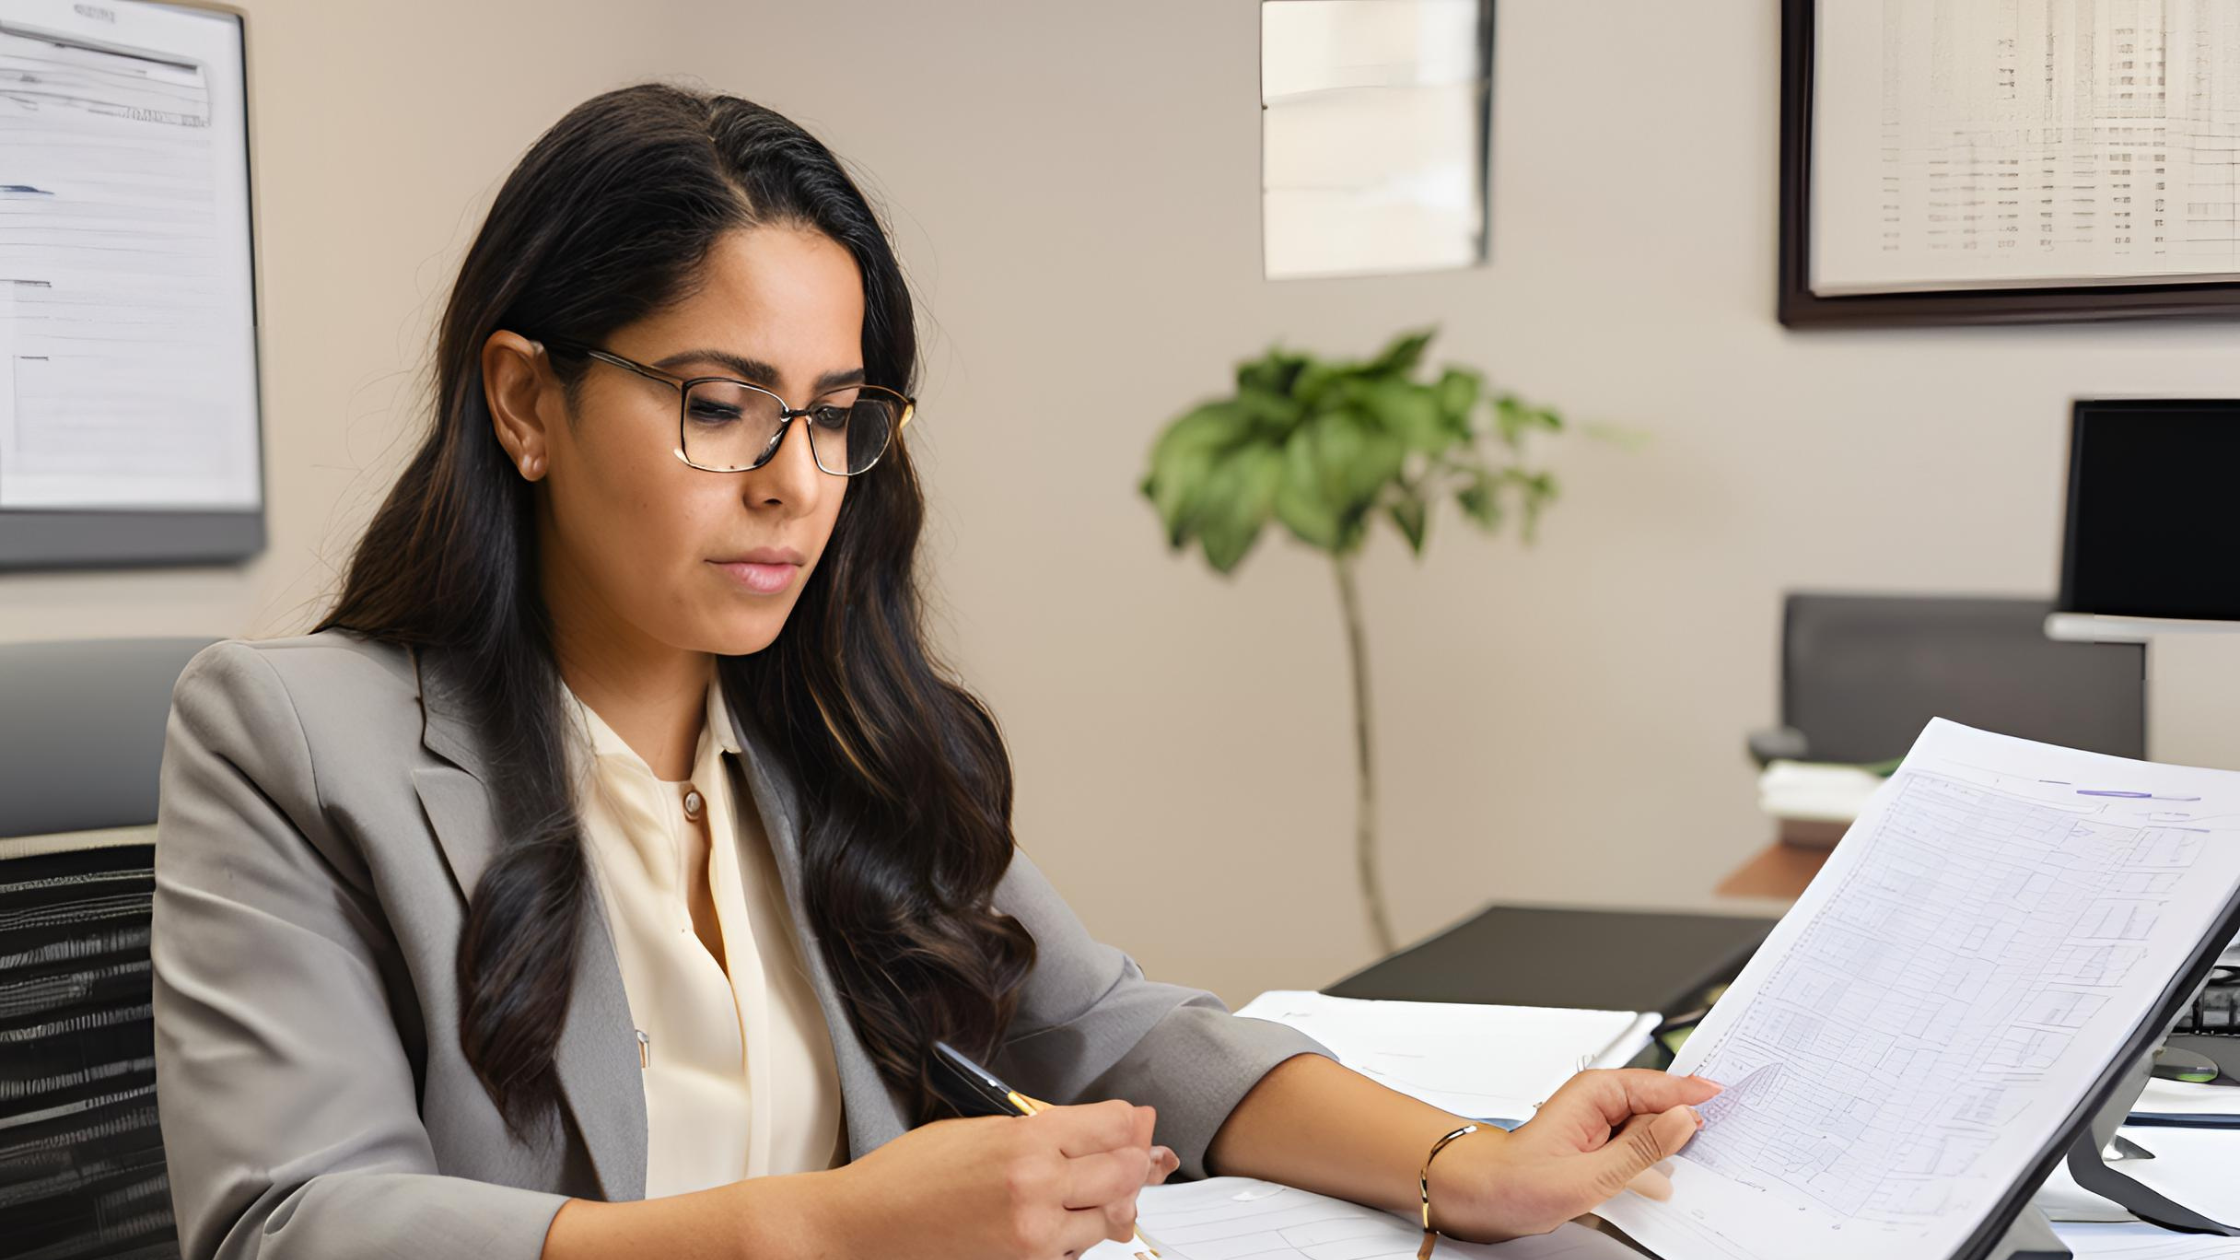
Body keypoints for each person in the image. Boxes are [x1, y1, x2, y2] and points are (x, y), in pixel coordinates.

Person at [150, 83, 1719, 1260]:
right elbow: (292, 1223)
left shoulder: (830, 728)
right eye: (719, 403)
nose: (795, 483)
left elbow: (1112, 1030)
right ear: (526, 402)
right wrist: (818, 1231)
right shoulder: (293, 737)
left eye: (837, 415)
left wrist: (1470, 1162)